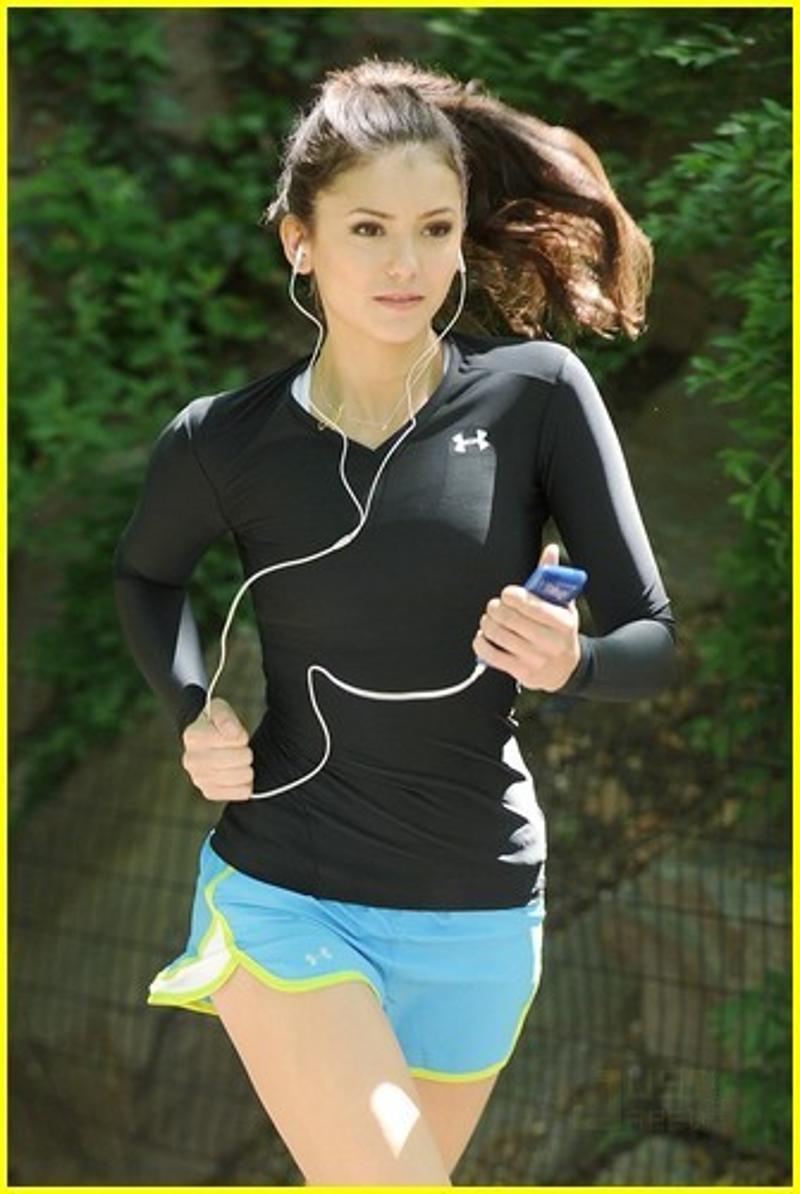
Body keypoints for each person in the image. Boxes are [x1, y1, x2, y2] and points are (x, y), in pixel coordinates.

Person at [112, 56, 677, 1187]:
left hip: (480, 911)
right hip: (290, 892)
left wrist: (570, 661)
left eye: (433, 229)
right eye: (367, 229)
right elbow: (146, 576)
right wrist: (194, 706)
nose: (404, 264)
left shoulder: (537, 395)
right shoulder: (223, 440)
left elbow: (649, 640)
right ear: (300, 241)